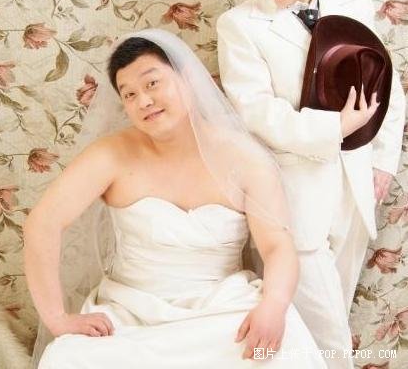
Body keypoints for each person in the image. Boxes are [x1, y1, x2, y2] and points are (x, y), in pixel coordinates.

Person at [24, 29, 327, 369]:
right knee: (69, 358)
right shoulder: (110, 155)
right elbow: (43, 223)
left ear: (188, 79)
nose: (143, 101)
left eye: (152, 83)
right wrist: (57, 318)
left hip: (223, 308)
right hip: (130, 314)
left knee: (282, 354)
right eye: (129, 94)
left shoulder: (245, 158)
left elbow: (276, 246)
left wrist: (274, 304)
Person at [217, 0, 405, 369]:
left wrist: (382, 163)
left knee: (332, 316)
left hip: (356, 184)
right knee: (324, 330)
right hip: (291, 191)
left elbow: (387, 88)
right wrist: (333, 127)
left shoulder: (356, 7)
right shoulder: (239, 25)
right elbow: (255, 110)